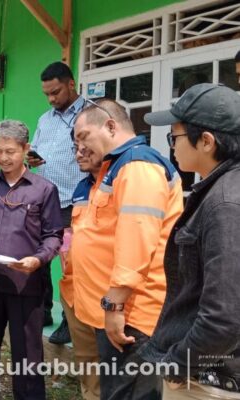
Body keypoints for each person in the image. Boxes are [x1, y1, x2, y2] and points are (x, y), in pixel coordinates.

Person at [71, 98, 183, 399]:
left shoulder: (137, 165)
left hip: (133, 314)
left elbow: (137, 239)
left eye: (84, 137)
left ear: (110, 125)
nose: (80, 147)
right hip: (118, 313)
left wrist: (115, 304)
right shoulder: (114, 168)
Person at [138, 83, 240, 400]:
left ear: (206, 141)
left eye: (175, 137)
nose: (172, 147)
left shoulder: (225, 205)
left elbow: (222, 318)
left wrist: (177, 364)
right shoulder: (222, 189)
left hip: (206, 382)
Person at [0, 120, 63, 400]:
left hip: (25, 284)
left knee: (27, 353)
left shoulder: (44, 189)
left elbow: (53, 235)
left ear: (25, 148)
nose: (4, 158)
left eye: (11, 151)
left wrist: (38, 259)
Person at [28, 61, 87, 331]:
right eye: (47, 94)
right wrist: (33, 159)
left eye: (56, 92)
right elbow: (37, 151)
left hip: (75, 201)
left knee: (71, 264)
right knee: (40, 260)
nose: (51, 99)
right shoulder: (44, 119)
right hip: (45, 200)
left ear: (71, 84)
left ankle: (70, 319)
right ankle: (43, 311)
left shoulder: (89, 115)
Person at [61, 131, 102, 400]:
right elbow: (70, 232)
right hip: (75, 291)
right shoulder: (81, 188)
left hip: (106, 295)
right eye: (75, 147)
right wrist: (66, 254)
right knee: (87, 361)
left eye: (85, 147)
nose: (78, 153)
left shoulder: (126, 181)